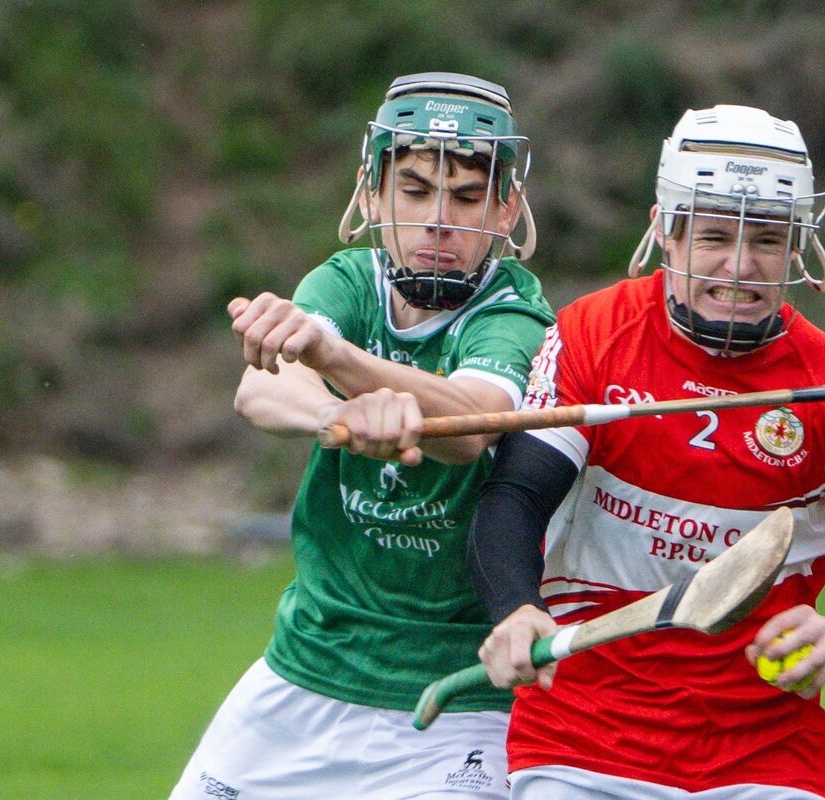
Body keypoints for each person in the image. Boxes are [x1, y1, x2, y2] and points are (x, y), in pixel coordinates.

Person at [467, 104, 825, 800]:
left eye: (768, 240)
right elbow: (518, 493)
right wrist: (512, 607)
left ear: (799, 249)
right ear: (666, 232)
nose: (740, 267)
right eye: (714, 236)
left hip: (767, 762)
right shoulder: (592, 335)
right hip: (582, 746)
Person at [170, 72, 554, 800]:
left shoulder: (517, 315)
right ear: (372, 193)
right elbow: (260, 386)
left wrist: (338, 363)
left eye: (467, 197)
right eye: (413, 190)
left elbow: (469, 423)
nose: (439, 220)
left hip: (455, 697)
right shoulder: (346, 281)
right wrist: (335, 415)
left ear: (507, 208)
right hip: (305, 667)